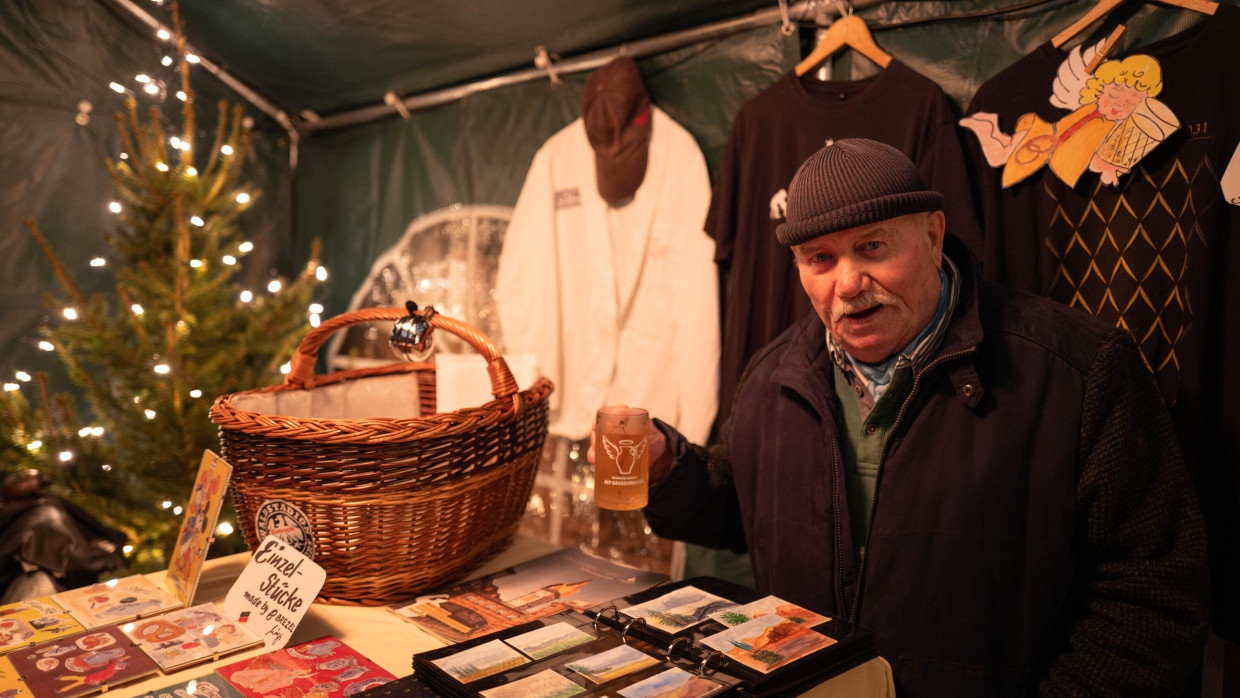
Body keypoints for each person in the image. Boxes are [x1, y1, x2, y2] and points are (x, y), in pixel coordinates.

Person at [590, 139, 1210, 696]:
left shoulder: (1078, 369)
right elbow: (743, 505)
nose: (849, 283)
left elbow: (1150, 596)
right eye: (820, 258)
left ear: (934, 235)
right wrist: (668, 465)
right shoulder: (774, 374)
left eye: (873, 247)